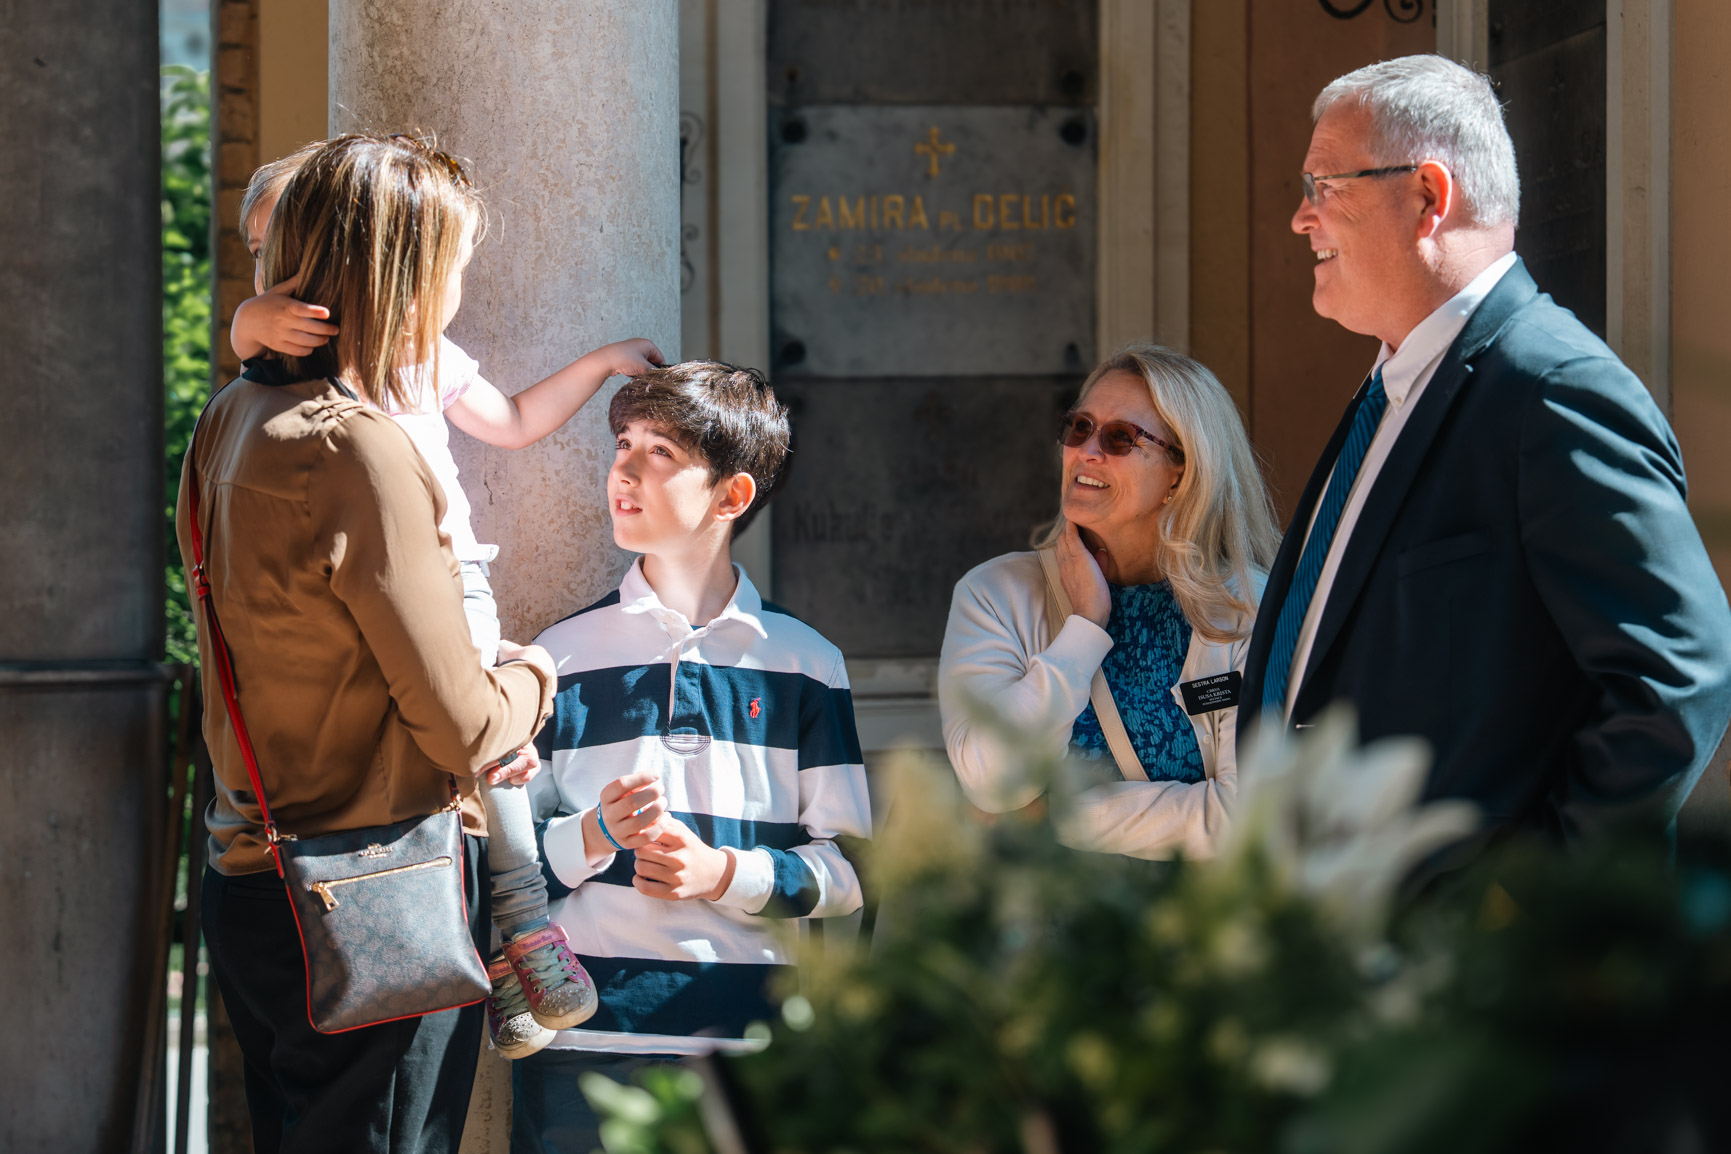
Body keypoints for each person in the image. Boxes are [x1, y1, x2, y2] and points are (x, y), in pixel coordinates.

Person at [231, 142, 667, 1058]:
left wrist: (598, 363)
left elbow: (513, 420)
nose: (279, 282)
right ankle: (522, 932)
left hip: (451, 575)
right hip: (400, 586)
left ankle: (514, 938)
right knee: (477, 742)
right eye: (267, 260)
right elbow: (251, 366)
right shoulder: (297, 379)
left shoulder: (423, 356)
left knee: (480, 754)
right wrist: (247, 321)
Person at [177, 133, 557, 1153]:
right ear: (405, 276)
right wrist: (533, 672)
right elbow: (464, 722)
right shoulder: (356, 446)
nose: (457, 294)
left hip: (253, 875)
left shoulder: (230, 417)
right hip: (373, 890)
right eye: (453, 267)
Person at [1240, 55, 1731, 842]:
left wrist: (1533, 896)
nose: (1302, 218)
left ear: (1427, 197)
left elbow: (1678, 678)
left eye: (1324, 186)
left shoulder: (1553, 390)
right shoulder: (1390, 390)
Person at [513, 362, 871, 1153]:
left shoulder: (805, 663)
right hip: (582, 1046)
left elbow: (849, 874)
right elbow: (501, 874)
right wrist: (592, 835)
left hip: (750, 1048)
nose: (624, 469)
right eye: (622, 444)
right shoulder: (556, 658)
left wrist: (721, 874)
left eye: (660, 453)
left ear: (731, 496)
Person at [938, 345, 1280, 859]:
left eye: (1120, 437)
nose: (1087, 451)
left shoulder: (1248, 608)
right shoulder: (994, 595)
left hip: (1203, 910)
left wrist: (1056, 817)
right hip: (1045, 911)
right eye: (1080, 428)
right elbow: (994, 783)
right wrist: (1083, 629)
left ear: (1181, 472)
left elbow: (1244, 816)